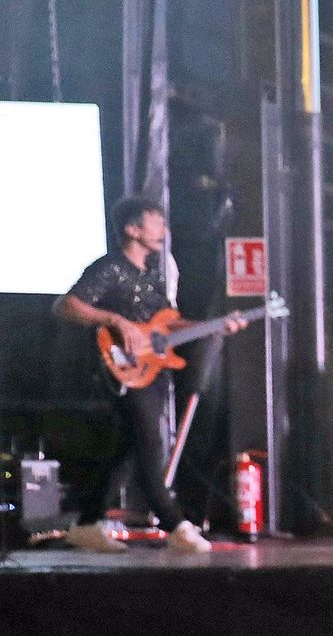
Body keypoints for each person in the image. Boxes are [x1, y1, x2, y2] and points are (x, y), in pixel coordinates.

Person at [51, 194, 242, 554]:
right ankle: (176, 525)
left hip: (151, 371)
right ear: (132, 229)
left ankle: (86, 524)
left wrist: (214, 326)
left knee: (126, 449)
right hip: (121, 370)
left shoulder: (152, 276)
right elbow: (65, 305)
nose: (164, 230)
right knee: (150, 444)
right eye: (156, 222)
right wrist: (114, 319)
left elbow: (168, 325)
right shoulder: (110, 268)